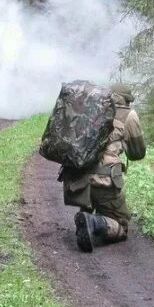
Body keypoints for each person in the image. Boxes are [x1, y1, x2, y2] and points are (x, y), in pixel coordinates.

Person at [64, 83, 146, 252]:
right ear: (126, 100)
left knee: (92, 193)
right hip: (103, 180)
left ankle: (86, 209)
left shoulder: (87, 108)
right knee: (121, 226)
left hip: (75, 177)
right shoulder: (127, 114)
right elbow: (138, 153)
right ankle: (92, 221)